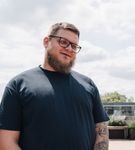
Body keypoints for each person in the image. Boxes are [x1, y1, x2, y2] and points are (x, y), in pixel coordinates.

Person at [0, 22, 109, 150]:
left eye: (74, 46)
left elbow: (101, 129)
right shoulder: (18, 84)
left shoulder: (88, 84)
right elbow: (6, 140)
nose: (69, 49)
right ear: (46, 42)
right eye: (63, 42)